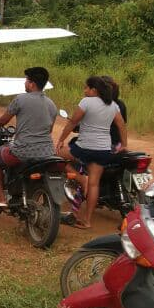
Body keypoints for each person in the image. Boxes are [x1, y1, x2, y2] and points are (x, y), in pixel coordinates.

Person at [56, 76, 128, 229]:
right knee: (94, 184)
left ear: (94, 90)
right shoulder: (113, 105)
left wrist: (61, 139)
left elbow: (73, 122)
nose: (85, 91)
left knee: (56, 156)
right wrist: (124, 145)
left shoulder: (86, 102)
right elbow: (121, 125)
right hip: (103, 150)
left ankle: (81, 179)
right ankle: (87, 221)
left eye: (86, 88)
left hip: (84, 148)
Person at [0, 67, 58, 208]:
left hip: (23, 151)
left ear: (31, 84)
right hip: (48, 152)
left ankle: (0, 198)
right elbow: (49, 130)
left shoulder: (20, 99)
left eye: (26, 80)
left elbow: (3, 121)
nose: (25, 83)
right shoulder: (52, 105)